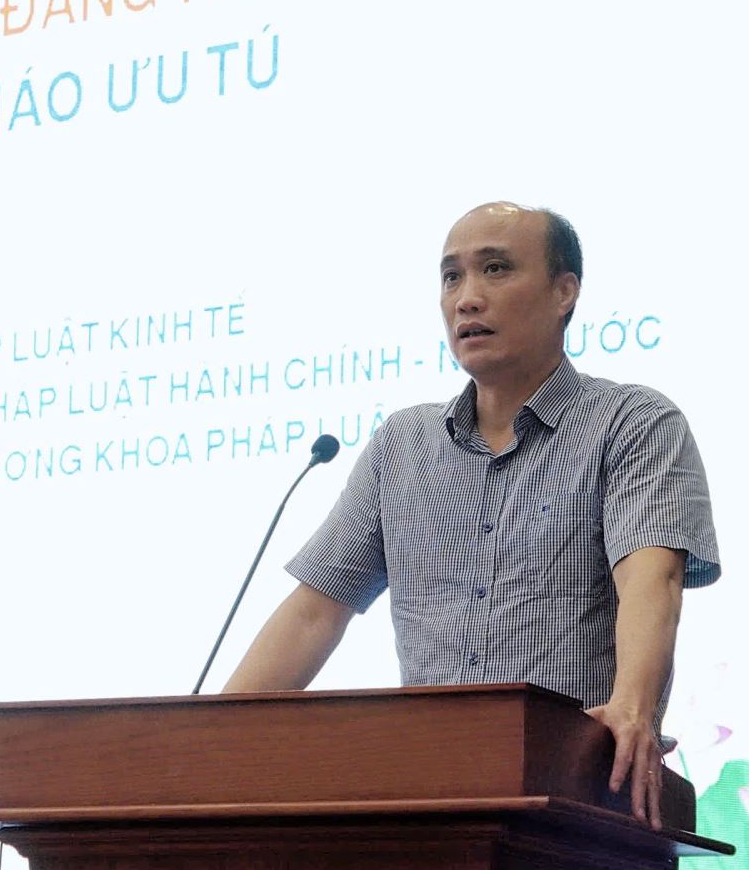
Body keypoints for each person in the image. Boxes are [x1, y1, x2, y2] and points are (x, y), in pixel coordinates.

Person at [222, 201, 720, 827]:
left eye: (496, 269)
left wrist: (633, 708)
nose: (467, 299)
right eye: (451, 276)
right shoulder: (401, 447)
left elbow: (653, 580)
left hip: (580, 803)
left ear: (564, 292)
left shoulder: (633, 424)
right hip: (430, 808)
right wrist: (212, 740)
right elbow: (313, 612)